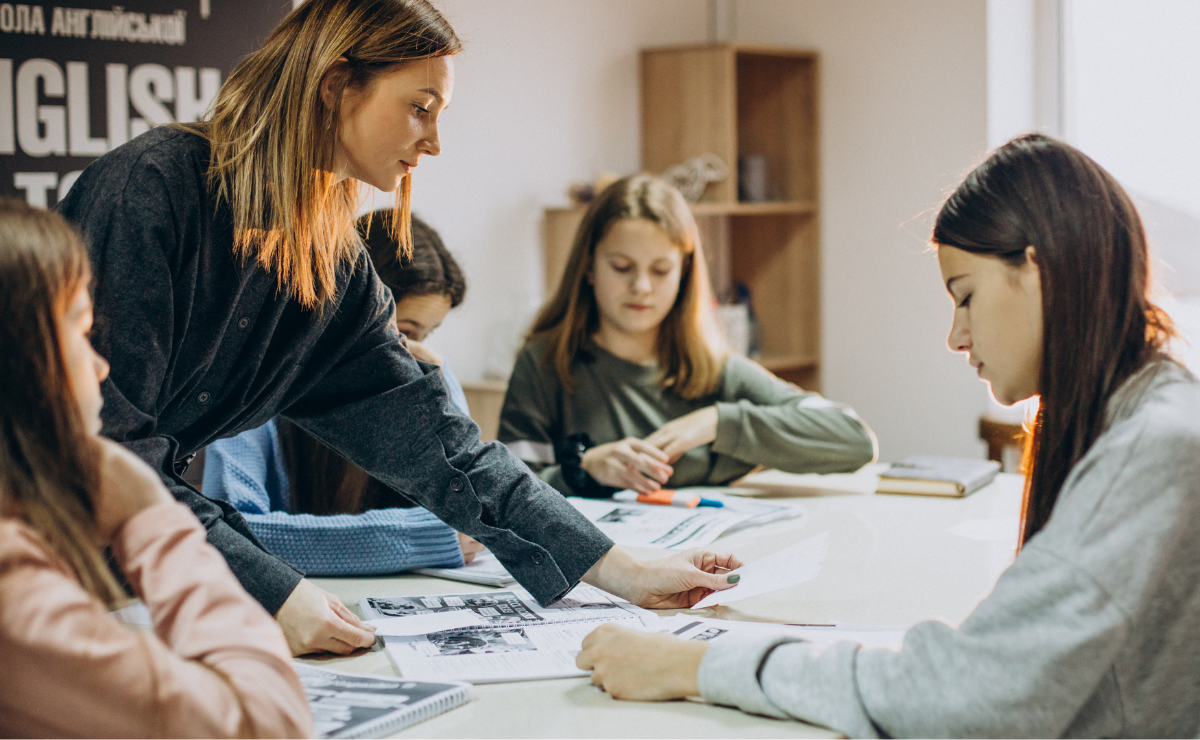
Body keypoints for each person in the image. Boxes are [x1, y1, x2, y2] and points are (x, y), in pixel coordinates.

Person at [57, 0, 740, 658]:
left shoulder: (333, 264)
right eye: (421, 108)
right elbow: (105, 448)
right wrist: (267, 591)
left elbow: (444, 450)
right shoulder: (150, 191)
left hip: (128, 572)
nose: (434, 143)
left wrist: (620, 569)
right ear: (335, 85)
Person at [575, 135, 1200, 737]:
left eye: (965, 297)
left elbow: (966, 698)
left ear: (1036, 271)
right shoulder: (1142, 414)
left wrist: (694, 667)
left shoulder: (1152, 450)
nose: (955, 337)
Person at [0, 199, 313, 738]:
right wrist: (149, 515)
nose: (101, 367)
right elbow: (271, 724)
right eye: (80, 330)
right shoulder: (13, 588)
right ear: (21, 359)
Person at [499, 174, 876, 498]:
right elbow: (504, 492)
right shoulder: (544, 363)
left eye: (661, 270)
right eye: (622, 267)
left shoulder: (714, 369)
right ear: (589, 267)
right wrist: (584, 470)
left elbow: (855, 440)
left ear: (684, 275)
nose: (641, 286)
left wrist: (717, 422)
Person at [202, 212, 487, 575]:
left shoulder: (432, 374)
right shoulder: (252, 383)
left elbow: (471, 518)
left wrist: (438, 399)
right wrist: (426, 539)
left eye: (426, 335)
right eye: (404, 332)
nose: (414, 353)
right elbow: (232, 538)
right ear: (346, 313)